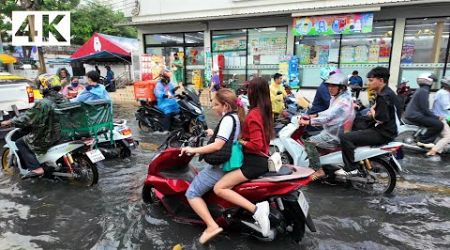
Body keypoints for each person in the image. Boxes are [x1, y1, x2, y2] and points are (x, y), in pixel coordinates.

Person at [179, 88, 245, 244]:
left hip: (220, 166)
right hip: (232, 163)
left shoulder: (228, 119)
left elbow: (218, 146)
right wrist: (212, 132)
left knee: (192, 193)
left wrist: (193, 150)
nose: (213, 108)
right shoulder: (236, 117)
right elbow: (229, 136)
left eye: (216, 105)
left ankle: (211, 225)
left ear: (225, 106)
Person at [213, 77, 274, 237]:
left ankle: (256, 211)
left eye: (249, 89)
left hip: (253, 162)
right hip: (263, 159)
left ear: (254, 92)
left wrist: (241, 141)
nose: (247, 92)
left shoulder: (254, 114)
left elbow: (257, 145)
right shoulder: (266, 111)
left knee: (219, 188)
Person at [0, 77, 67, 179]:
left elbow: (26, 119)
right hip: (63, 134)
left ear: (44, 87)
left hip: (49, 135)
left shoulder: (43, 103)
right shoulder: (64, 99)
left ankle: (36, 169)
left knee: (20, 142)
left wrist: (10, 121)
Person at [339, 67, 400, 174]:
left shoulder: (383, 96)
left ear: (381, 80)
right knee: (358, 122)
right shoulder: (388, 92)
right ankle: (362, 160)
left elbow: (381, 118)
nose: (368, 83)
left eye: (371, 80)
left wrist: (372, 110)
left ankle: (351, 169)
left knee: (345, 137)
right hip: (389, 129)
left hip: (384, 132)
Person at [300, 72, 355, 179]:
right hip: (334, 130)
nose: (330, 88)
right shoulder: (338, 97)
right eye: (329, 85)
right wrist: (313, 115)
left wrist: (309, 121)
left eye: (333, 86)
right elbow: (329, 112)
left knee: (309, 142)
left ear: (341, 87)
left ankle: (318, 170)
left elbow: (328, 117)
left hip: (335, 135)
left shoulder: (342, 102)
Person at [404, 73, 443, 144]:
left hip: (413, 114)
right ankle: (424, 141)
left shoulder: (421, 90)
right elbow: (425, 109)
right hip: (415, 115)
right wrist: (437, 117)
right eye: (433, 82)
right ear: (429, 81)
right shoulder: (424, 91)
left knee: (433, 121)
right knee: (439, 124)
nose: (433, 84)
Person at [422, 76, 450, 156]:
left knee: (444, 136)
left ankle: (439, 151)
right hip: (441, 118)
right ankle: (432, 151)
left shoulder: (442, 92)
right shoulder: (444, 93)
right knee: (448, 136)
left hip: (443, 117)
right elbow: (447, 107)